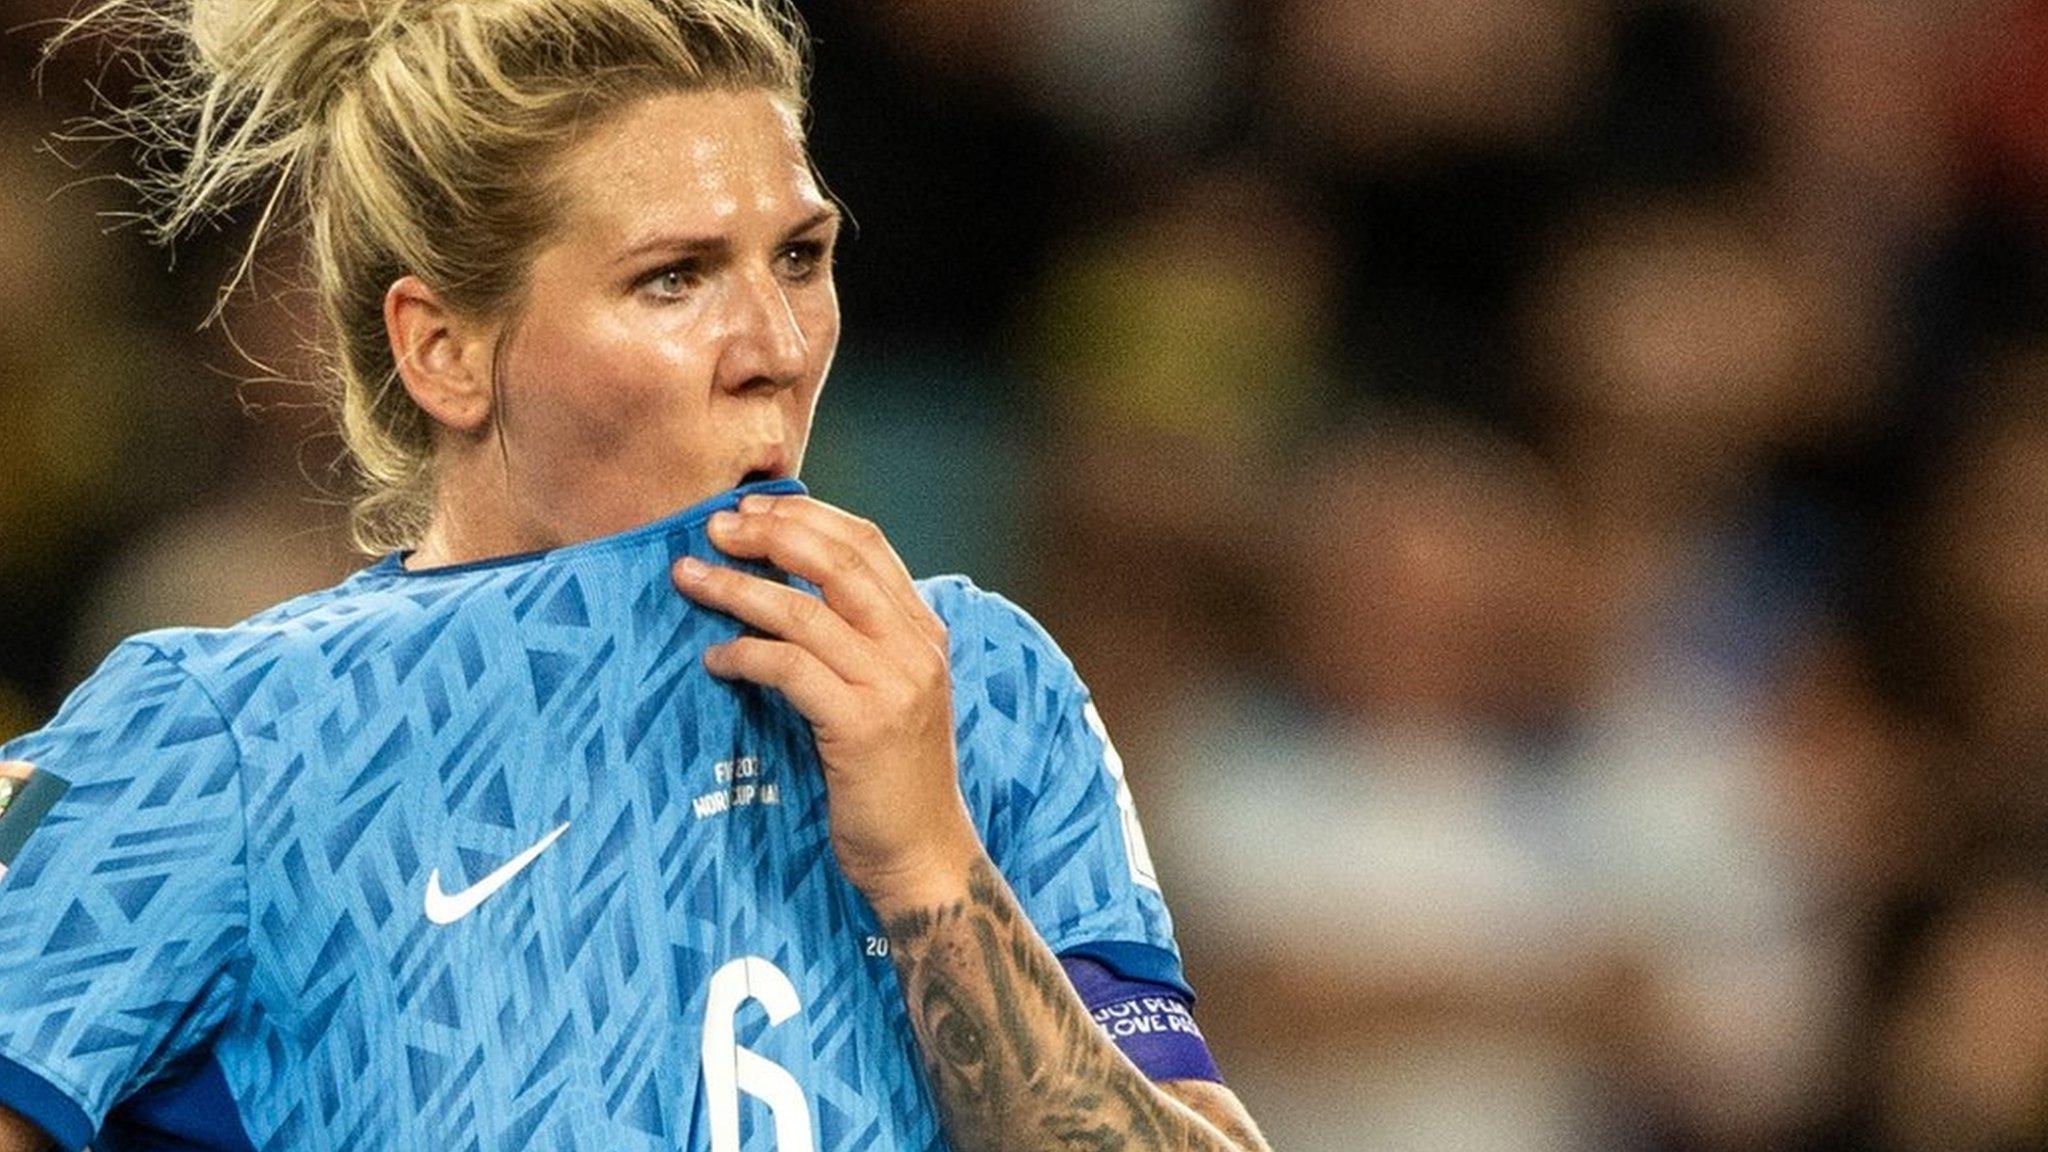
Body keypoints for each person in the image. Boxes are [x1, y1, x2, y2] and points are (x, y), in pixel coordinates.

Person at [0, 2, 1271, 1149]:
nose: (775, 345)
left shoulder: (977, 681)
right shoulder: (226, 739)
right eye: (674, 279)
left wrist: (935, 874)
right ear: (442, 350)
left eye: (799, 257)